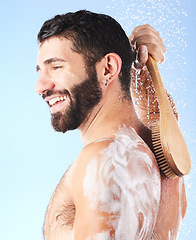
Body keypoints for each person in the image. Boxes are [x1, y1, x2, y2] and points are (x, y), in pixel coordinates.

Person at [36, 10, 187, 240]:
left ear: (108, 69)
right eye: (40, 71)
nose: (40, 86)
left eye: (56, 67)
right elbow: (161, 119)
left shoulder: (103, 159)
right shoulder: (162, 164)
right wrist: (137, 71)